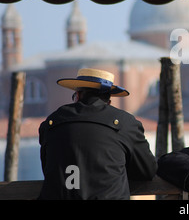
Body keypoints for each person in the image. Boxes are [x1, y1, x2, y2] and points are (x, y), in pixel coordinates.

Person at [38, 68, 157, 199]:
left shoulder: (51, 122)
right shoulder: (125, 123)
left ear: (77, 95)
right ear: (109, 102)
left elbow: (48, 168)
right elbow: (147, 171)